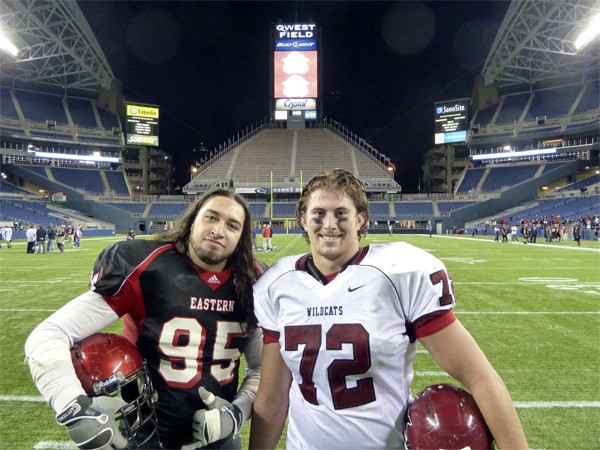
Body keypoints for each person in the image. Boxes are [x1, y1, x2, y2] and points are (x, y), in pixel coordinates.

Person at [249, 169, 527, 450]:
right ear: (303, 220)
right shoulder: (278, 284)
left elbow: (478, 376)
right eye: (319, 213)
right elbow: (272, 399)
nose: (329, 224)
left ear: (360, 219)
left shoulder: (398, 272)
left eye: (341, 214)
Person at [25, 188, 267, 449]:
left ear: (242, 236)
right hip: (146, 435)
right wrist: (72, 407)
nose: (219, 230)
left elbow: (262, 368)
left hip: (220, 438)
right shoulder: (146, 265)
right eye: (211, 217)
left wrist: (237, 412)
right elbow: (50, 333)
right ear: (192, 219)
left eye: (232, 225)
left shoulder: (254, 280)